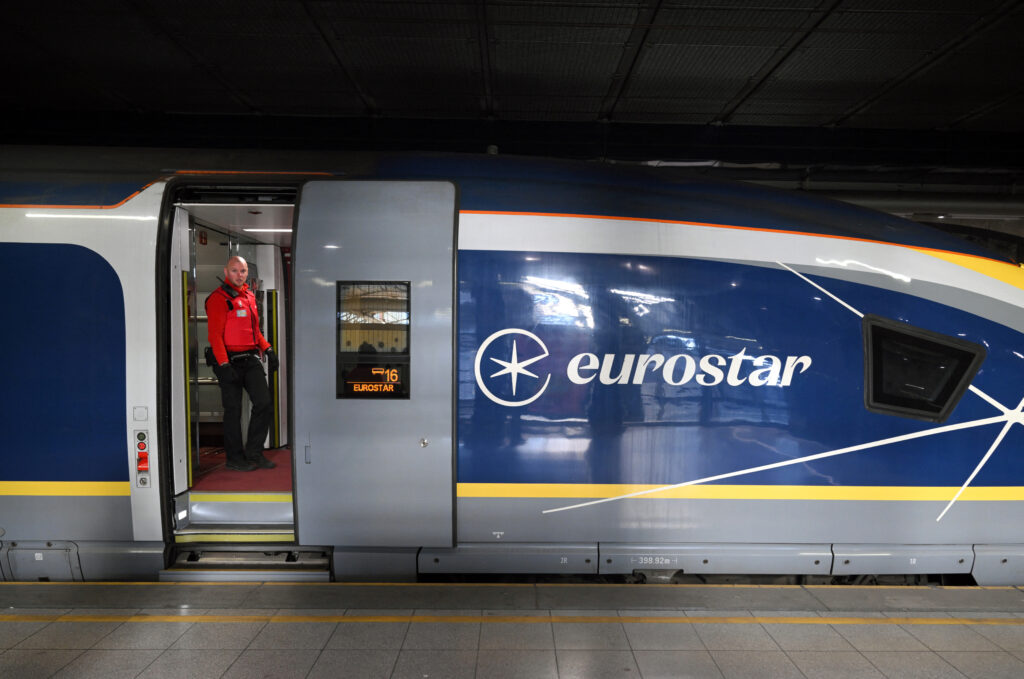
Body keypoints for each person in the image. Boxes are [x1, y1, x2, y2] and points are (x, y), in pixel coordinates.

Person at [206, 255, 279, 471]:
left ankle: (254, 453)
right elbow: (215, 336)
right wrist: (224, 364)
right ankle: (235, 458)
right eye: (235, 270)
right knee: (233, 411)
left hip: (249, 358)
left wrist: (268, 349)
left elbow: (255, 331)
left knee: (264, 403)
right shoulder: (218, 299)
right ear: (226, 271)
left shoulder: (249, 296)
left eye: (243, 271)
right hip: (228, 360)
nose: (239, 275)